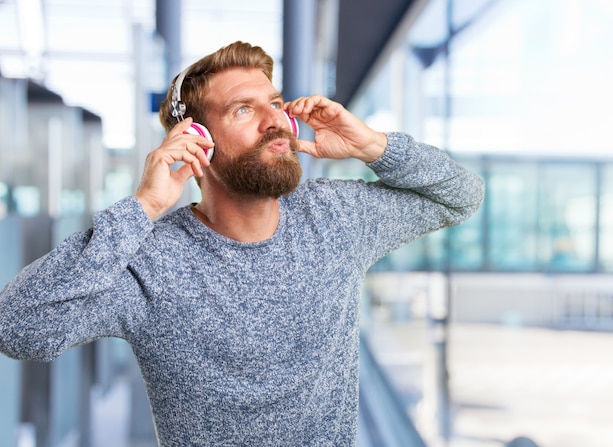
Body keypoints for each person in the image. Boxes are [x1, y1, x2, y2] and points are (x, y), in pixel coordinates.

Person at [0, 41, 484, 446]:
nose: (275, 120)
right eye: (243, 109)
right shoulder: (149, 262)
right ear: (197, 143)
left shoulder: (335, 217)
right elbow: (15, 327)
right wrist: (142, 208)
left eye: (274, 103)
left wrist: (372, 145)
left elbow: (462, 197)